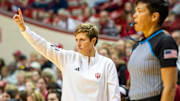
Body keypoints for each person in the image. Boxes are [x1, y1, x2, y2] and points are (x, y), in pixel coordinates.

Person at [13, 8, 120, 101]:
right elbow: (44, 46)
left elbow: (114, 96)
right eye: (76, 40)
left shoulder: (107, 64)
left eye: (82, 40)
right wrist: (24, 29)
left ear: (93, 41)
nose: (78, 44)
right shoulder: (67, 58)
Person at [128, 0, 178, 101]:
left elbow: (170, 88)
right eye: (135, 11)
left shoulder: (165, 41)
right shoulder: (137, 44)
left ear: (154, 17)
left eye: (139, 11)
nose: (134, 15)